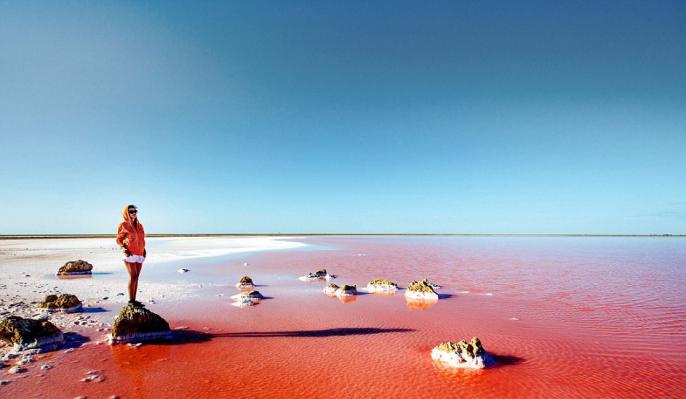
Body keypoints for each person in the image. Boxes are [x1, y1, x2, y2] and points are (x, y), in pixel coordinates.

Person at [116, 204, 146, 306]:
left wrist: (144, 249)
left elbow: (142, 239)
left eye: (135, 211)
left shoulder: (140, 225)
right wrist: (124, 249)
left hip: (140, 254)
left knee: (137, 277)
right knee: (133, 276)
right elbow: (118, 239)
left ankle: (134, 300)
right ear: (126, 213)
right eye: (131, 212)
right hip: (129, 254)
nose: (133, 213)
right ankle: (130, 301)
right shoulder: (123, 225)